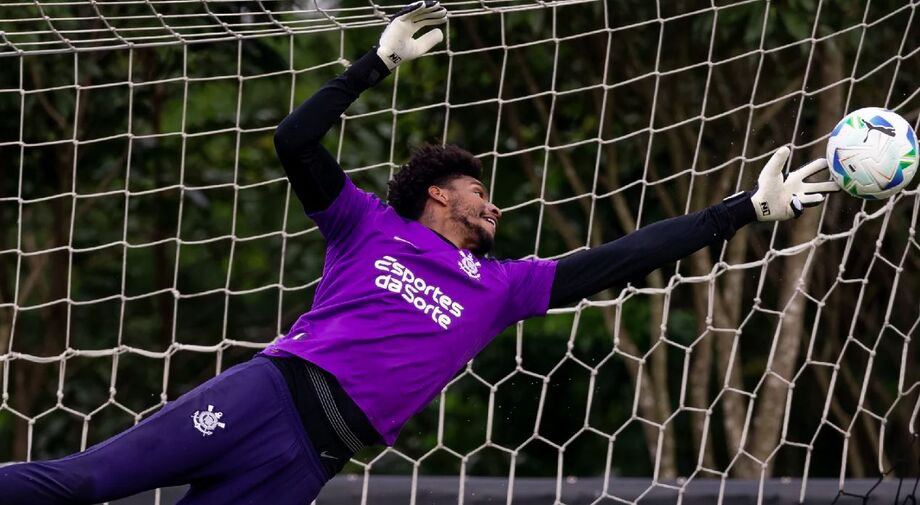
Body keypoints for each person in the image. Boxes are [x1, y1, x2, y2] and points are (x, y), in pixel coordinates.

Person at [0, 2, 839, 504]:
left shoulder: (504, 286)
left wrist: (743, 210)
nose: (494, 203)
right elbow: (293, 138)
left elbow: (622, 256)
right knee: (82, 485)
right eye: (481, 191)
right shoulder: (365, 224)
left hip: (309, 458)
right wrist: (374, 60)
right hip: (266, 394)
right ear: (441, 192)